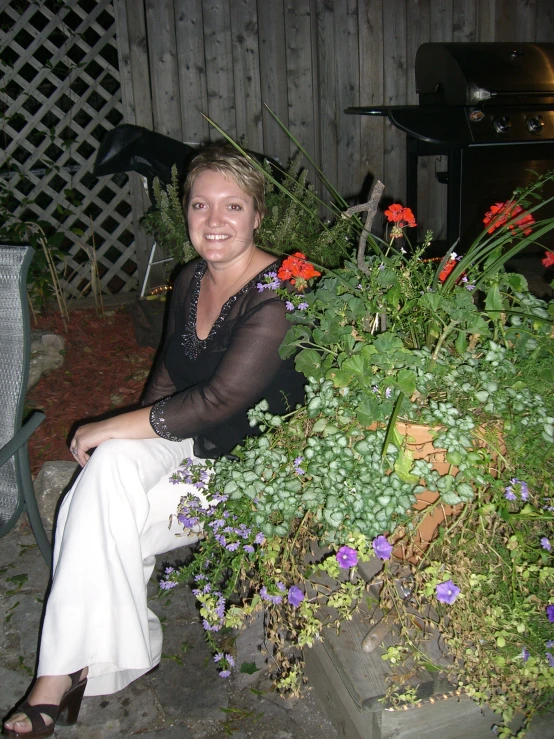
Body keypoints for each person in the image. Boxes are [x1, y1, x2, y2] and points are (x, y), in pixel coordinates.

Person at [3, 144, 306, 738]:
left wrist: (104, 426)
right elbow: (168, 378)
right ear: (185, 213)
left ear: (257, 217)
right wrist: (128, 433)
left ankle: (65, 674)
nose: (214, 221)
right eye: (200, 205)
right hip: (191, 443)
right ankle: (72, 671)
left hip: (249, 464)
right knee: (109, 473)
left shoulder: (279, 296)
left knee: (98, 519)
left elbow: (218, 401)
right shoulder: (191, 278)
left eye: (232, 206)